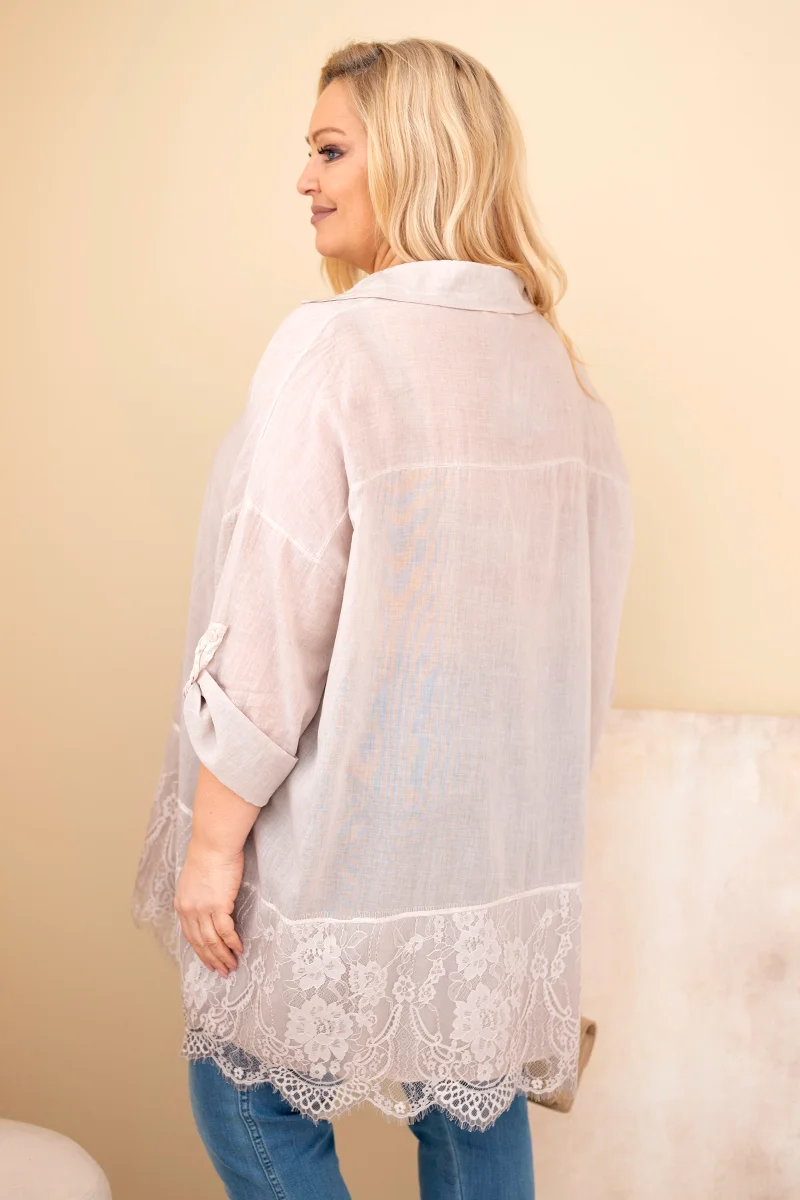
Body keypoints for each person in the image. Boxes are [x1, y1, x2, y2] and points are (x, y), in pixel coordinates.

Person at [131, 36, 634, 1200]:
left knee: (243, 1092)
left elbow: (274, 609)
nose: (302, 180)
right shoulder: (554, 370)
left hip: (342, 830)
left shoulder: (336, 346)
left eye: (328, 150)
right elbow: (572, 638)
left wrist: (212, 847)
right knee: (471, 1106)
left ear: (410, 156)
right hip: (490, 854)